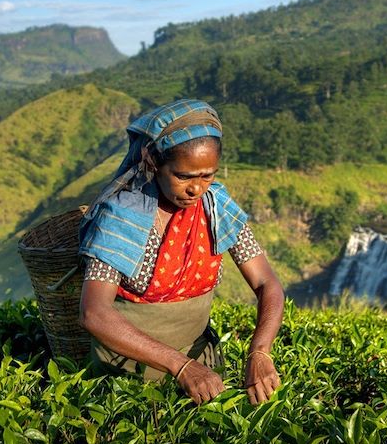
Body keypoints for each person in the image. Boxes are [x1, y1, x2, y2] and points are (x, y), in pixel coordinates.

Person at [78, 99, 284, 405]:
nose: (196, 189)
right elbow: (94, 313)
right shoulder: (122, 216)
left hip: (202, 369)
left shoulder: (216, 206)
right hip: (125, 377)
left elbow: (267, 284)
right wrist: (180, 366)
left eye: (207, 175)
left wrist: (260, 352)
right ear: (153, 161)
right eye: (183, 176)